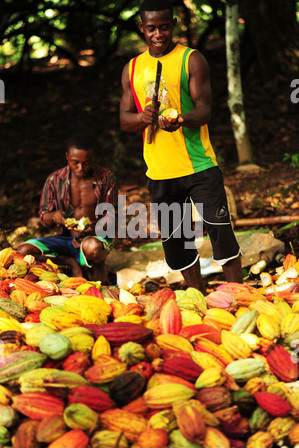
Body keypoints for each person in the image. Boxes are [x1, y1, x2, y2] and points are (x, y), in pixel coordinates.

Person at [119, 0, 243, 294]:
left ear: (173, 24)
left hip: (199, 166)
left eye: (164, 26)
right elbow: (124, 119)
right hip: (161, 171)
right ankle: (197, 296)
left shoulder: (192, 59)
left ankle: (240, 295)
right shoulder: (132, 68)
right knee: (177, 240)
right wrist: (141, 117)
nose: (158, 33)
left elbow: (205, 110)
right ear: (141, 28)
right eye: (151, 28)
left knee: (220, 231)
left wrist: (182, 119)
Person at [17, 135, 117, 283]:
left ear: (93, 158)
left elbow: (114, 216)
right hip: (64, 239)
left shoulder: (106, 178)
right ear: (67, 157)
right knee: (23, 251)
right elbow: (44, 216)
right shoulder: (55, 179)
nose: (80, 168)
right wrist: (54, 216)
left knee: (93, 248)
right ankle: (70, 262)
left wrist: (95, 226)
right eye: (75, 163)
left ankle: (98, 265)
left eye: (86, 163)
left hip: (94, 239)